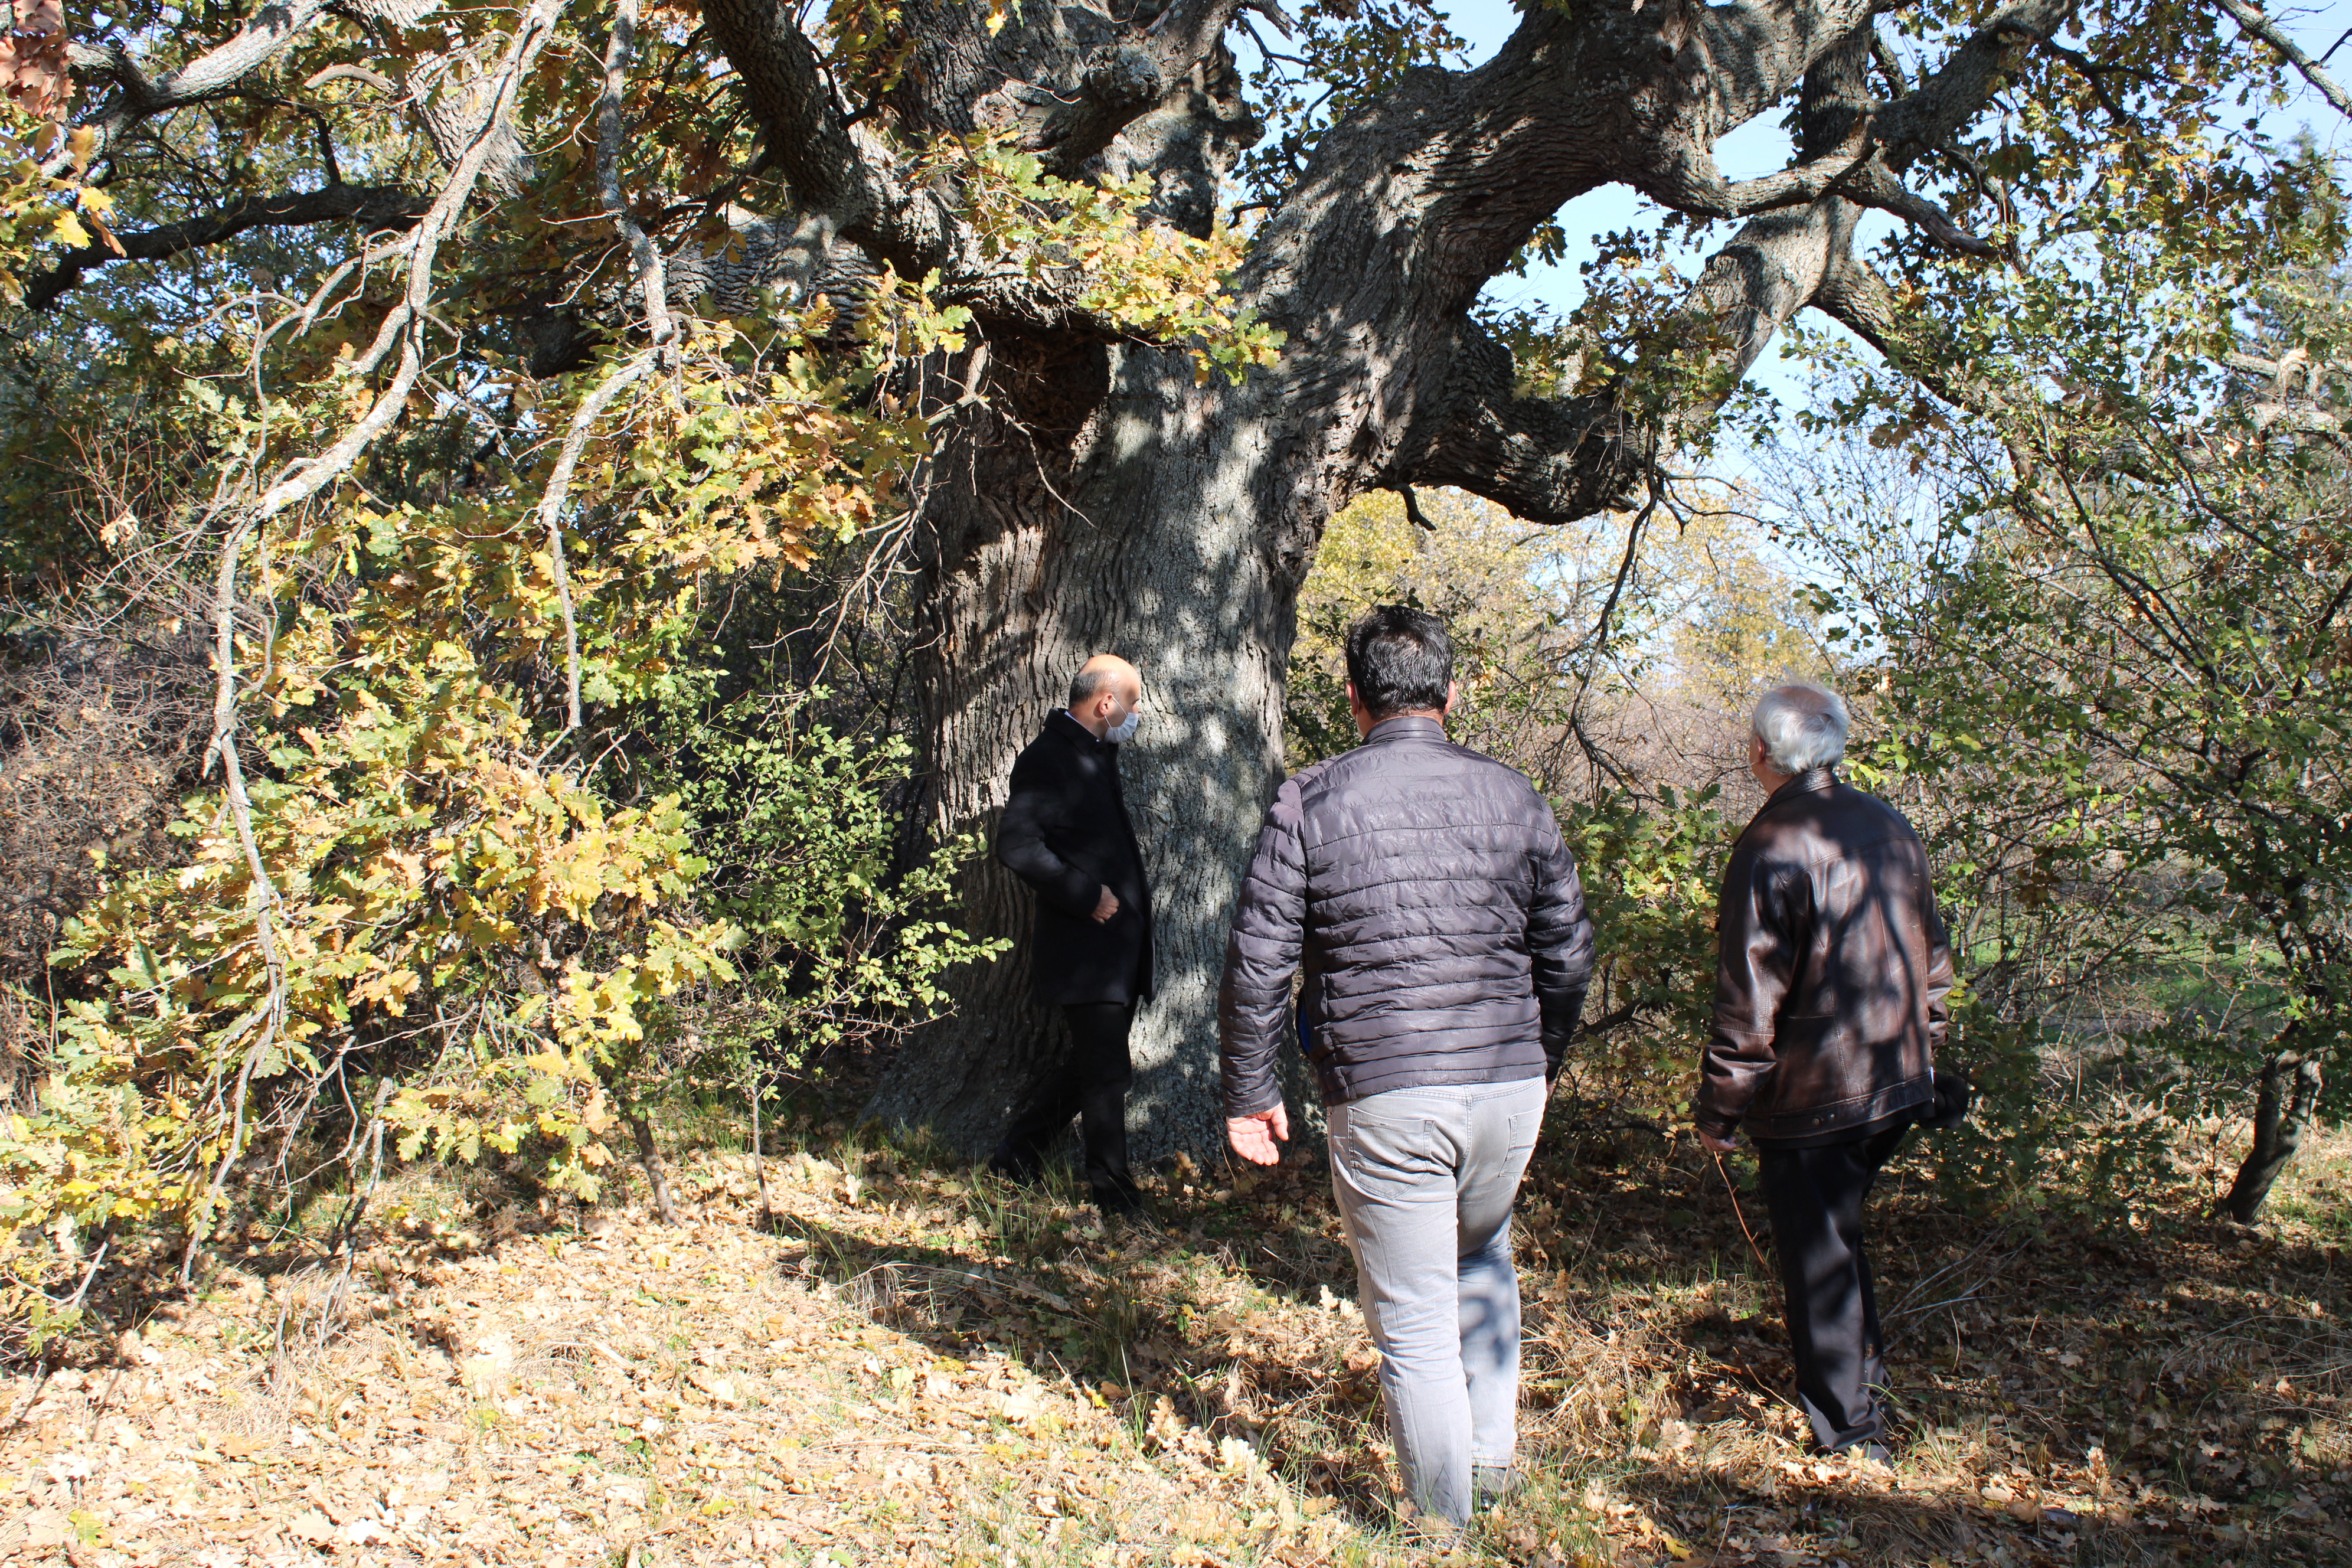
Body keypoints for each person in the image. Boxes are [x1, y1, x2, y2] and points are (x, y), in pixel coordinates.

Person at [1219, 606, 1595, 1531]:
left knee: (1418, 1319)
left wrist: (1249, 1092)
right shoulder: (1517, 798)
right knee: (1482, 1258)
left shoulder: (1309, 800)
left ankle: (1443, 1525)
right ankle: (1488, 1474)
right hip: (1507, 1083)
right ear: (1452, 694)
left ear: (1353, 697)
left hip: (1388, 1087)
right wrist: (1537, 1061)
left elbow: (1260, 959)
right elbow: (1570, 958)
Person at [1694, 679, 1954, 1463]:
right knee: (1838, 1235)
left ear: (1762, 755)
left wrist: (1719, 1108)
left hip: (1819, 1096)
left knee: (1820, 1255)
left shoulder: (1771, 846)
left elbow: (1750, 996)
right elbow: (1934, 959)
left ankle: (1849, 1432)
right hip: (1896, 1077)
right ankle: (1861, 1381)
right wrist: (1927, 1044)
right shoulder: (1888, 822)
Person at [991, 654, 1154, 1216]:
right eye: (1131, 704)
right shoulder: (1050, 757)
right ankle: (1115, 1195)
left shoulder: (1093, 753)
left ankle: (1016, 1156)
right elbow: (1016, 845)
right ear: (1105, 704)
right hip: (1086, 952)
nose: (1135, 715)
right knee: (1106, 1074)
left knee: (1096, 1066)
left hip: (1114, 953)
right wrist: (1087, 896)